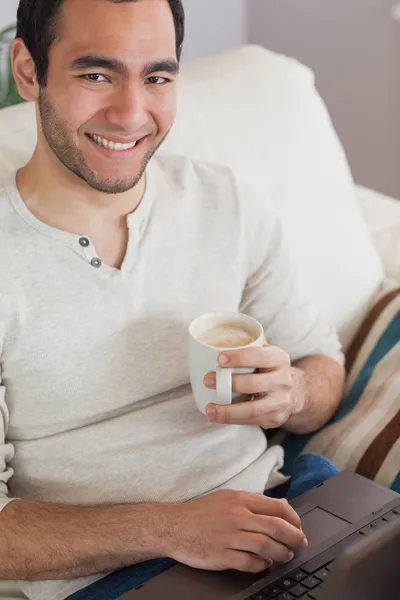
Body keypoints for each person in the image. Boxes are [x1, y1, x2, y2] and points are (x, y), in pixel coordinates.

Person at [0, 1, 346, 599]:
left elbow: (324, 372)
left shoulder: (228, 202)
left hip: (284, 504)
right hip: (115, 576)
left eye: (157, 76)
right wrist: (172, 529)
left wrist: (293, 392)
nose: (132, 112)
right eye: (96, 74)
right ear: (28, 70)